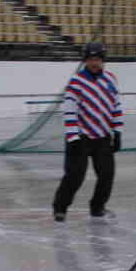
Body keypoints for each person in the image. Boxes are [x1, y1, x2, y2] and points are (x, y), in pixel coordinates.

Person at [52, 42, 122, 222]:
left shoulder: (111, 79)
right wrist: (73, 137)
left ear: (102, 60)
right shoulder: (76, 82)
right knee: (74, 177)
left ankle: (97, 207)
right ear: (85, 60)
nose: (94, 63)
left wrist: (117, 131)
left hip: (103, 137)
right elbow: (69, 111)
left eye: (97, 59)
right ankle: (60, 208)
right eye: (91, 59)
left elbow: (116, 106)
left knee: (107, 175)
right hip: (81, 138)